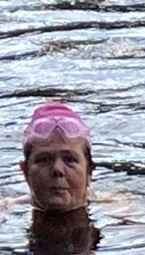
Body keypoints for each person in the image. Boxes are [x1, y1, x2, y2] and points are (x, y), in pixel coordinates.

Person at [20, 102, 101, 254]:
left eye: (69, 159)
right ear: (26, 171)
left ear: (89, 171)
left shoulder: (122, 210)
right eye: (44, 160)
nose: (57, 170)